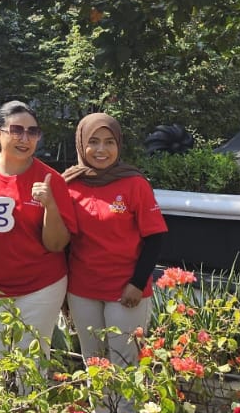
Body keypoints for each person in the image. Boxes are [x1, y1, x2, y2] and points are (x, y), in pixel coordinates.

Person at [0, 100, 77, 359]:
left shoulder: (51, 180)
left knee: (31, 365)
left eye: (32, 132)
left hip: (40, 288)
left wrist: (50, 205)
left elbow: (57, 245)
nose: (25, 139)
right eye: (16, 130)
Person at [62, 113, 167, 373]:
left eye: (109, 142)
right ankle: (98, 404)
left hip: (126, 290)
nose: (101, 149)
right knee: (94, 363)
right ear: (81, 144)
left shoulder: (135, 184)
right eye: (93, 141)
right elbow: (62, 242)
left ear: (119, 144)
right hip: (82, 290)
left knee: (125, 365)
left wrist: (137, 283)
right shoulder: (68, 184)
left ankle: (127, 405)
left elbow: (155, 238)